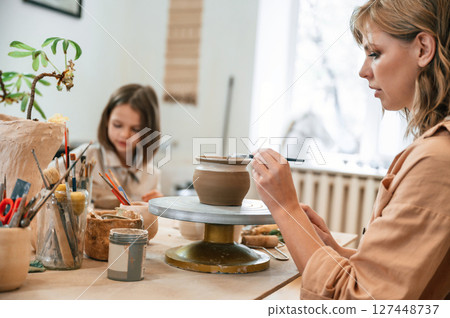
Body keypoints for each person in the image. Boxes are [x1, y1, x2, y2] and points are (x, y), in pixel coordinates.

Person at [251, 0, 449, 300]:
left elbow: (357, 302)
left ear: (423, 49)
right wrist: (331, 249)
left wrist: (285, 209)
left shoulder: (437, 160)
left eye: (375, 53)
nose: (363, 71)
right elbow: (398, 279)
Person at [64, 84, 163, 208]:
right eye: (117, 125)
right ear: (106, 120)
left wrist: (159, 207)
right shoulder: (85, 156)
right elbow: (44, 184)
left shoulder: (152, 176)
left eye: (136, 129)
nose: (125, 134)